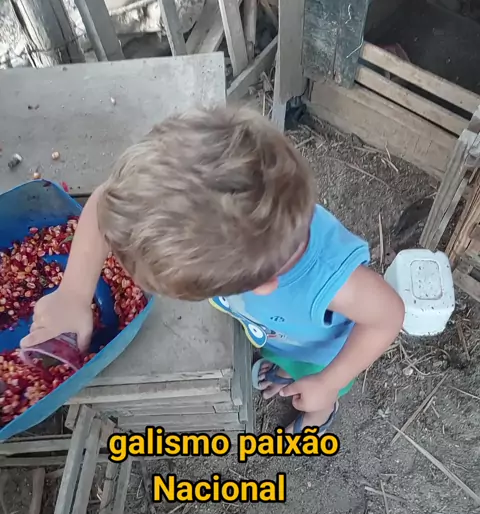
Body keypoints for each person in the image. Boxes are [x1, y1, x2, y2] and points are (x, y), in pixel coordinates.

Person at [21, 106, 405, 435]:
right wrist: (73, 293)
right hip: (272, 329)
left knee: (312, 388)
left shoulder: (330, 281)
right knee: (279, 355)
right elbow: (106, 201)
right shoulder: (234, 225)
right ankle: (286, 368)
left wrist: (329, 382)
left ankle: (321, 414)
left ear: (261, 284)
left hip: (318, 350)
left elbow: (388, 316)